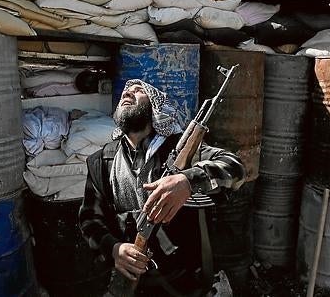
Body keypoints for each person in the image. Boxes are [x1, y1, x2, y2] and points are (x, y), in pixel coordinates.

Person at [79, 79, 245, 296]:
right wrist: (114, 249)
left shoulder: (181, 153)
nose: (128, 93)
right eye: (125, 92)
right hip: (131, 283)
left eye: (138, 91)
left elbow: (235, 168)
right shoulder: (101, 161)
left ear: (155, 108)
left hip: (184, 284)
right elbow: (90, 219)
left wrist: (187, 181)